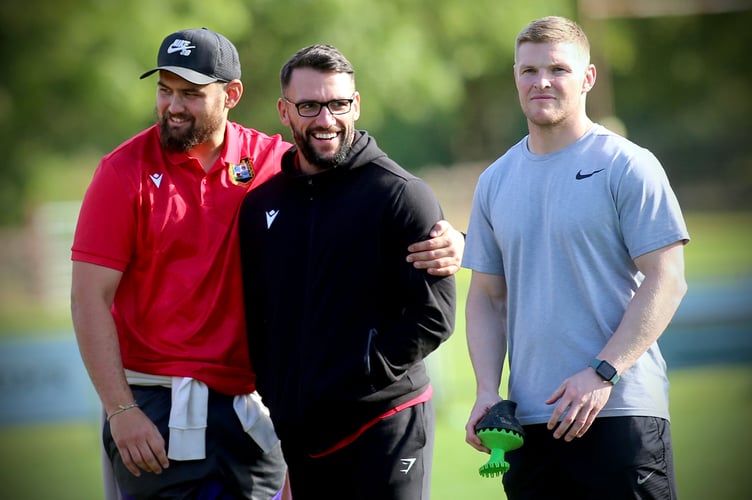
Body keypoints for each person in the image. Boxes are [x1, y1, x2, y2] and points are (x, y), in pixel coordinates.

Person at [70, 28, 464, 500]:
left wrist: (455, 240)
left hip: (254, 410)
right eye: (165, 90)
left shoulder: (272, 162)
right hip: (155, 404)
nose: (173, 106)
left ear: (231, 94)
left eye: (191, 94)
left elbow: (369, 191)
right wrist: (121, 410)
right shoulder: (121, 171)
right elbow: (88, 298)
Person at [462, 16, 689, 499]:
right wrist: (487, 390)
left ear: (587, 78)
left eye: (557, 69)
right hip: (527, 422)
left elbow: (667, 279)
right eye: (528, 70)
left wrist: (603, 371)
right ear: (516, 77)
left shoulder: (627, 165)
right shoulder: (495, 181)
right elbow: (486, 296)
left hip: (619, 410)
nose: (541, 81)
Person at [237, 44, 456, 499]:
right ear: (284, 110)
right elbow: (260, 316)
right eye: (309, 106)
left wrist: (358, 376)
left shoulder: (400, 194)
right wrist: (280, 393)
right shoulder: (261, 206)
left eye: (338, 104)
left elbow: (433, 317)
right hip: (302, 437)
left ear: (355, 104)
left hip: (386, 424)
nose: (325, 119)